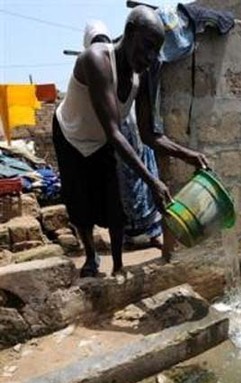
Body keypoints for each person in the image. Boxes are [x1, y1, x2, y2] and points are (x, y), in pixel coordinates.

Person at [53, 6, 208, 277]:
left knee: (114, 204)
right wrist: (153, 182)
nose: (149, 57)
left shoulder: (142, 73)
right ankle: (91, 257)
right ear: (129, 33)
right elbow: (114, 132)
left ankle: (118, 266)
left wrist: (189, 155)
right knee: (80, 200)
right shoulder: (97, 60)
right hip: (71, 134)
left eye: (154, 51)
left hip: (101, 139)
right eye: (146, 47)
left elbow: (149, 134)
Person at [83, 20, 163, 251]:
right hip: (113, 139)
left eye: (103, 40)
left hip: (134, 134)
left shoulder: (131, 69)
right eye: (95, 42)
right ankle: (129, 237)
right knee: (124, 189)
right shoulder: (95, 64)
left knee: (145, 185)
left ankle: (152, 232)